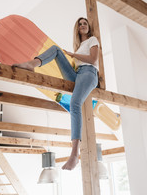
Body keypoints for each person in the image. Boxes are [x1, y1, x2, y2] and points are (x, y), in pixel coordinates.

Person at [13, 17, 99, 170]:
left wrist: (73, 55)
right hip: (77, 74)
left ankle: (74, 154)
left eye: (85, 23)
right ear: (77, 29)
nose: (83, 25)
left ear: (88, 27)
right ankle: (32, 64)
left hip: (89, 73)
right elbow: (77, 60)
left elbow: (93, 59)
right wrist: (73, 55)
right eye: (80, 24)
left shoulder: (93, 40)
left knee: (75, 103)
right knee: (56, 49)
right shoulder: (79, 46)